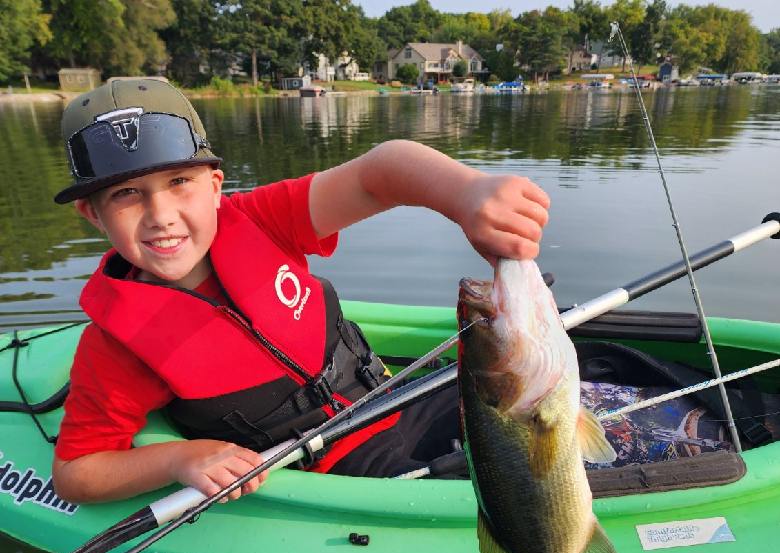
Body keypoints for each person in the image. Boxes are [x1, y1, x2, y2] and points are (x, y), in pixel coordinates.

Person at [51, 77, 549, 504]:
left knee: (595, 395)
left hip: (403, 397)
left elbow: (380, 175)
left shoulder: (262, 219)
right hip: (344, 472)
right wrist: (180, 458)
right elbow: (77, 471)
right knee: (531, 489)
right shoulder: (115, 347)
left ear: (215, 185)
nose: (161, 215)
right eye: (126, 194)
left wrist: (467, 193)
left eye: (179, 180)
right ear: (93, 213)